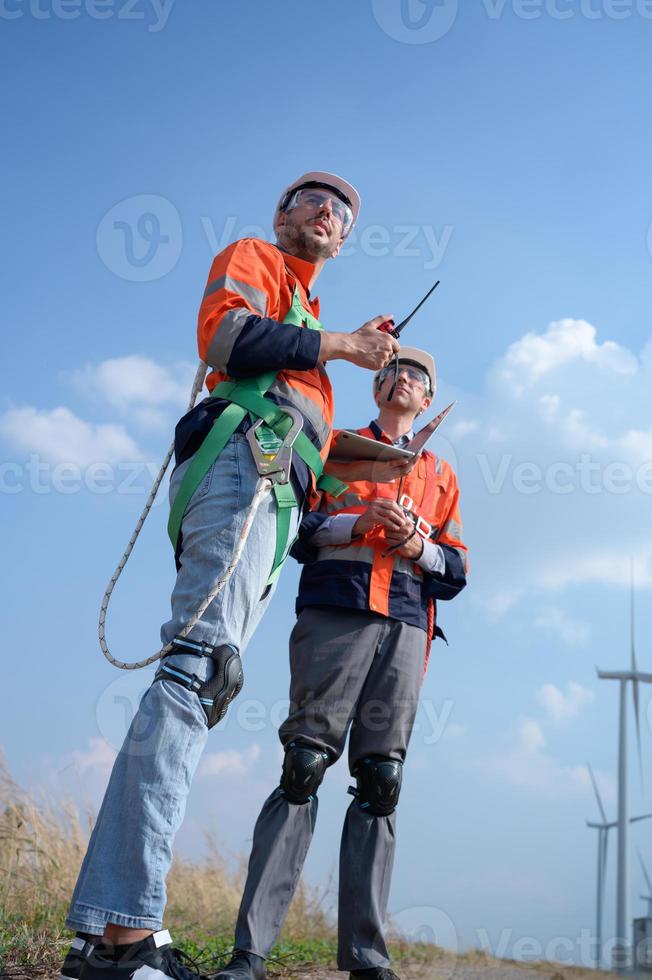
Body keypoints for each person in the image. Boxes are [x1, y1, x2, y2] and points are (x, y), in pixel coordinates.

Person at [60, 172, 400, 980]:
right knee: (196, 673)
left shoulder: (309, 317)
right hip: (244, 467)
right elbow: (227, 340)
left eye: (343, 212)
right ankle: (121, 936)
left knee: (201, 678)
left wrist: (369, 464)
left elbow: (304, 424)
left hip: (274, 493)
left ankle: (109, 927)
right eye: (315, 201)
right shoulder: (255, 257)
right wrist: (345, 348)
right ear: (283, 216)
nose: (330, 213)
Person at [215, 348, 468, 980]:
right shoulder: (335, 449)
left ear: (428, 399)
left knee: (382, 783)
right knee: (303, 765)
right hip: (337, 614)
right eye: (396, 370)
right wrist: (358, 522)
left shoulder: (441, 474)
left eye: (419, 376)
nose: (405, 378)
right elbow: (297, 529)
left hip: (407, 625)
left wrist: (419, 543)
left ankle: (366, 959)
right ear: (377, 382)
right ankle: (250, 953)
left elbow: (458, 569)